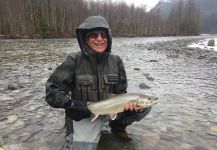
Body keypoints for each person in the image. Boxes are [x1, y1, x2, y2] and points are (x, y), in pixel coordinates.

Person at [45, 16, 152, 150]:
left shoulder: (116, 61)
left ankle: (117, 126)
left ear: (109, 37)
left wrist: (129, 111)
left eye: (103, 35)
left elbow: (121, 93)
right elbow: (52, 91)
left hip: (111, 109)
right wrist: (70, 104)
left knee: (144, 106)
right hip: (84, 113)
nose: (100, 39)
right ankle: (72, 129)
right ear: (85, 39)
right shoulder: (74, 60)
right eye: (93, 35)